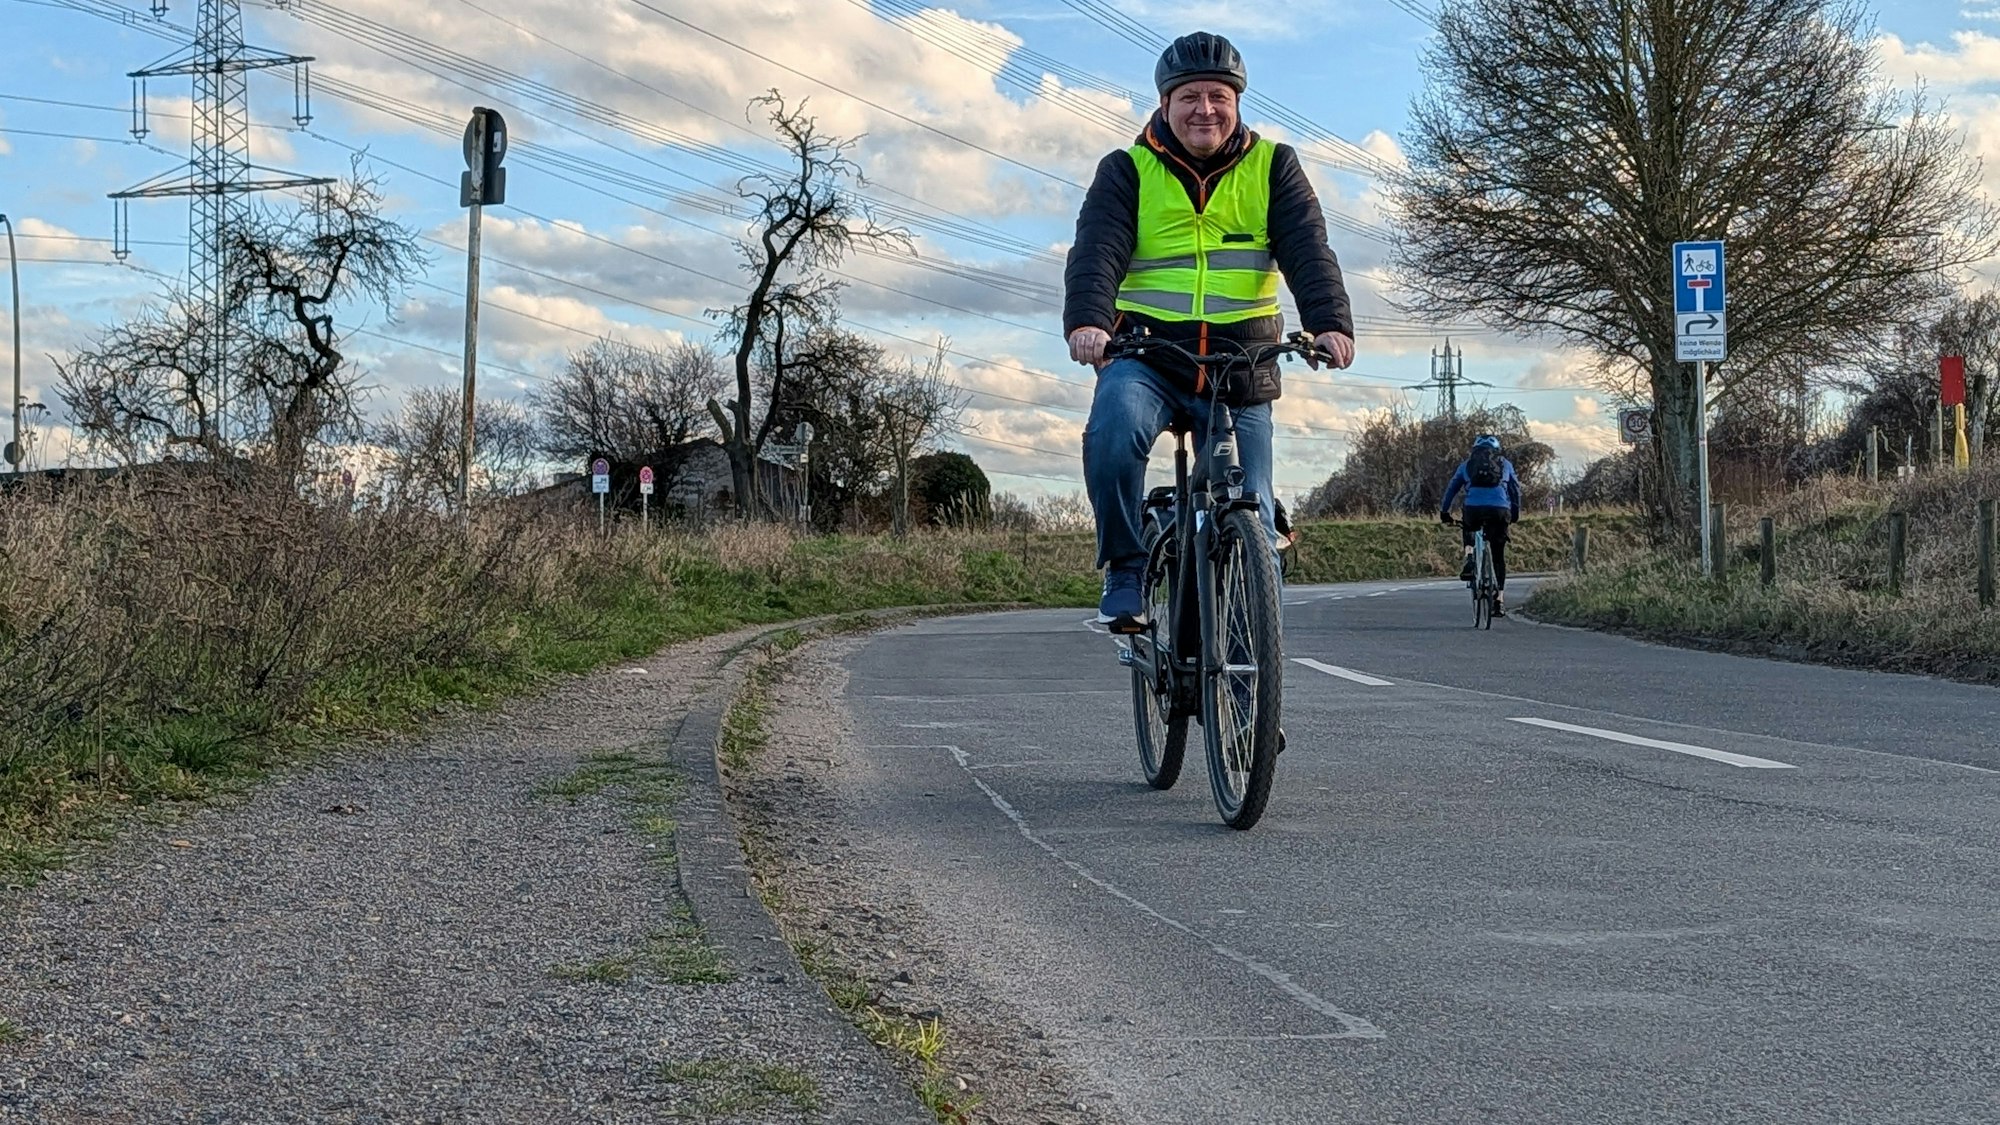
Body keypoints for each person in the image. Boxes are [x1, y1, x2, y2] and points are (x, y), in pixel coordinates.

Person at [1064, 30, 1356, 632]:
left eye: (1219, 96)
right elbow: (1097, 252)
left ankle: (1251, 701)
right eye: (1190, 97)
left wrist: (1328, 324)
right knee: (1113, 432)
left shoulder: (1274, 166)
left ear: (1238, 102)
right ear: (1165, 104)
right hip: (1147, 355)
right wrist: (1090, 322)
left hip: (1241, 365)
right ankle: (1125, 564)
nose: (1205, 110)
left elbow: (1307, 248)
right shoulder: (1127, 169)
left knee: (1258, 530)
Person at [1439, 434, 1522, 616]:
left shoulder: (1467, 465)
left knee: (1467, 524)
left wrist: (1444, 512)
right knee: (1498, 555)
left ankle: (1469, 557)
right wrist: (1515, 513)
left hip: (1474, 509)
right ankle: (1499, 600)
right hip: (1500, 511)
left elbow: (1452, 488)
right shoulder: (1505, 464)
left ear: (1474, 449)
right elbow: (1515, 490)